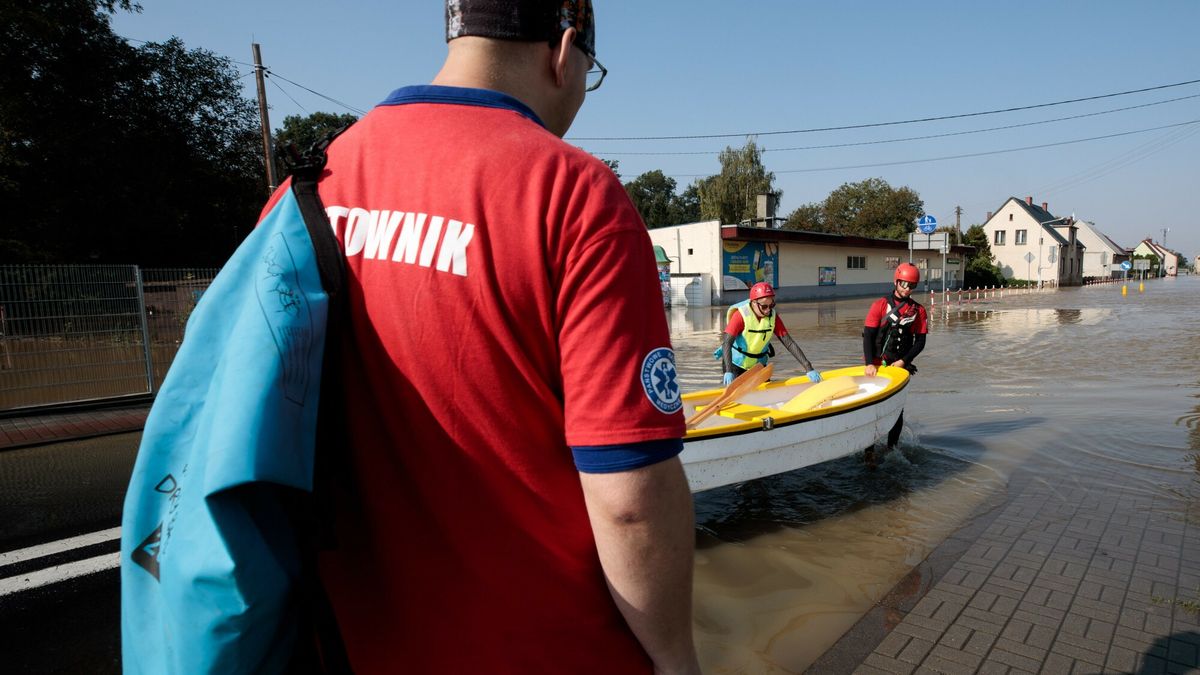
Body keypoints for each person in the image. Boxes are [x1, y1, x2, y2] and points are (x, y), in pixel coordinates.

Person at [274, 2, 700, 673]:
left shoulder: (307, 185)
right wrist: (678, 659)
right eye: (594, 69)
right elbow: (629, 502)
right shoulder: (574, 196)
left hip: (349, 648)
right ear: (565, 51)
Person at [862, 262, 929, 449]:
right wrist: (869, 363)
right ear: (896, 282)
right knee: (872, 409)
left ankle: (892, 450)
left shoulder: (919, 311)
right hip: (875, 366)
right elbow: (868, 336)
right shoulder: (880, 305)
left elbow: (920, 342)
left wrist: (903, 361)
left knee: (896, 411)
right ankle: (869, 452)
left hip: (899, 367)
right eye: (903, 284)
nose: (907, 289)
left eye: (911, 286)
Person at [719, 281, 821, 386]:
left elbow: (789, 343)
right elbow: (726, 343)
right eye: (764, 307)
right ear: (754, 302)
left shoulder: (773, 317)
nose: (768, 310)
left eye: (771, 305)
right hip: (736, 364)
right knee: (736, 395)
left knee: (763, 392)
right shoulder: (740, 316)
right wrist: (728, 370)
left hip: (758, 365)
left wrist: (808, 367)